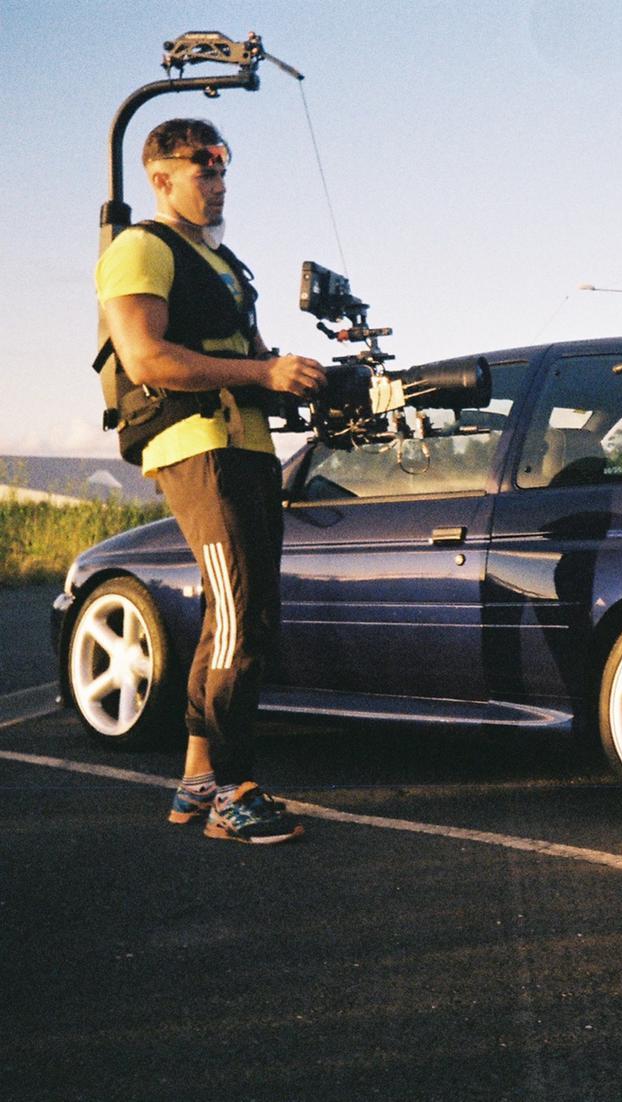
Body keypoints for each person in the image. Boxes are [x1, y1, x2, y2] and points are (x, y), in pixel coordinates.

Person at [95, 118, 325, 844]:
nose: (219, 184)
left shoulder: (226, 266)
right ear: (160, 177)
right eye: (205, 171)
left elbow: (255, 361)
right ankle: (232, 791)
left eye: (224, 170)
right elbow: (147, 360)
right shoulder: (142, 248)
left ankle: (197, 784)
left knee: (243, 615)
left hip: (247, 447)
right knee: (238, 616)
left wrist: (301, 380)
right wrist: (262, 372)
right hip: (198, 447)